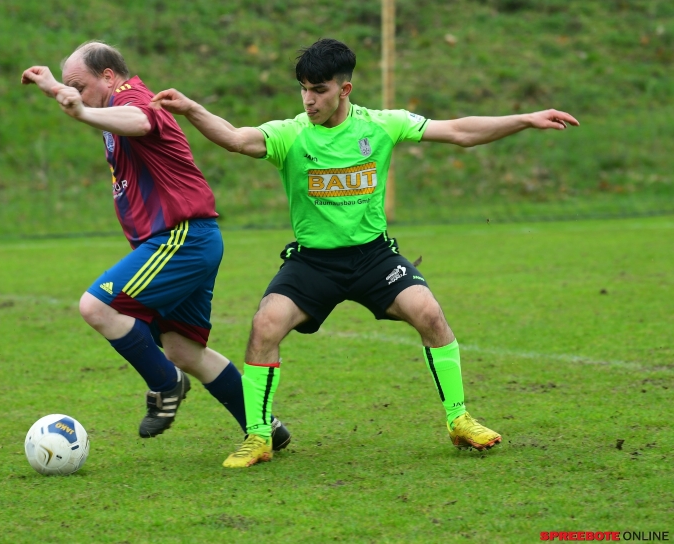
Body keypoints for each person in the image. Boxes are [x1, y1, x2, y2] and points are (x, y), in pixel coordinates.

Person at [151, 38, 579, 468]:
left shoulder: (380, 125)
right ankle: (259, 436)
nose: (309, 98)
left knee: (429, 313)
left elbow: (459, 132)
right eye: (303, 88)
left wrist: (526, 118)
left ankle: (459, 419)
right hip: (313, 261)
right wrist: (192, 109)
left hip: (374, 257)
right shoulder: (291, 133)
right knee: (265, 325)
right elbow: (235, 139)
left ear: (345, 89)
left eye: (318, 89)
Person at [20, 40, 291, 450]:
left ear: (109, 77)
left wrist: (83, 109)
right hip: (189, 239)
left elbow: (142, 119)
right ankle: (263, 424)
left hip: (179, 238)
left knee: (97, 306)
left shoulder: (135, 97)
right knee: (184, 348)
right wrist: (58, 87)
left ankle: (166, 385)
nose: (78, 94)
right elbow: (94, 106)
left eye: (83, 85)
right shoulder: (108, 106)